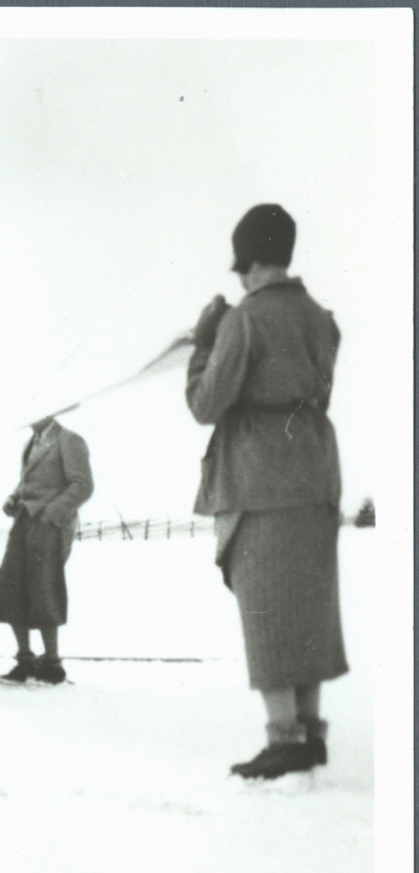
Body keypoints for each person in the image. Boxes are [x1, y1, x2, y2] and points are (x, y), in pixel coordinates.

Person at [186, 203, 346, 780]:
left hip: (259, 480)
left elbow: (206, 403)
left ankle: (284, 738)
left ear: (250, 262)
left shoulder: (244, 320)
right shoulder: (320, 317)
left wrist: (205, 343)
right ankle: (310, 734)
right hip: (316, 473)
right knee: (310, 606)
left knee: (269, 609)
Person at [0, 415, 93, 684]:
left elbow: (83, 485)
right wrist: (13, 498)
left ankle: (52, 664)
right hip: (24, 521)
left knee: (44, 588)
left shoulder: (68, 439)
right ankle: (24, 660)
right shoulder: (31, 443)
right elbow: (27, 482)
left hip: (50, 526)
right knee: (11, 585)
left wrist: (52, 514)